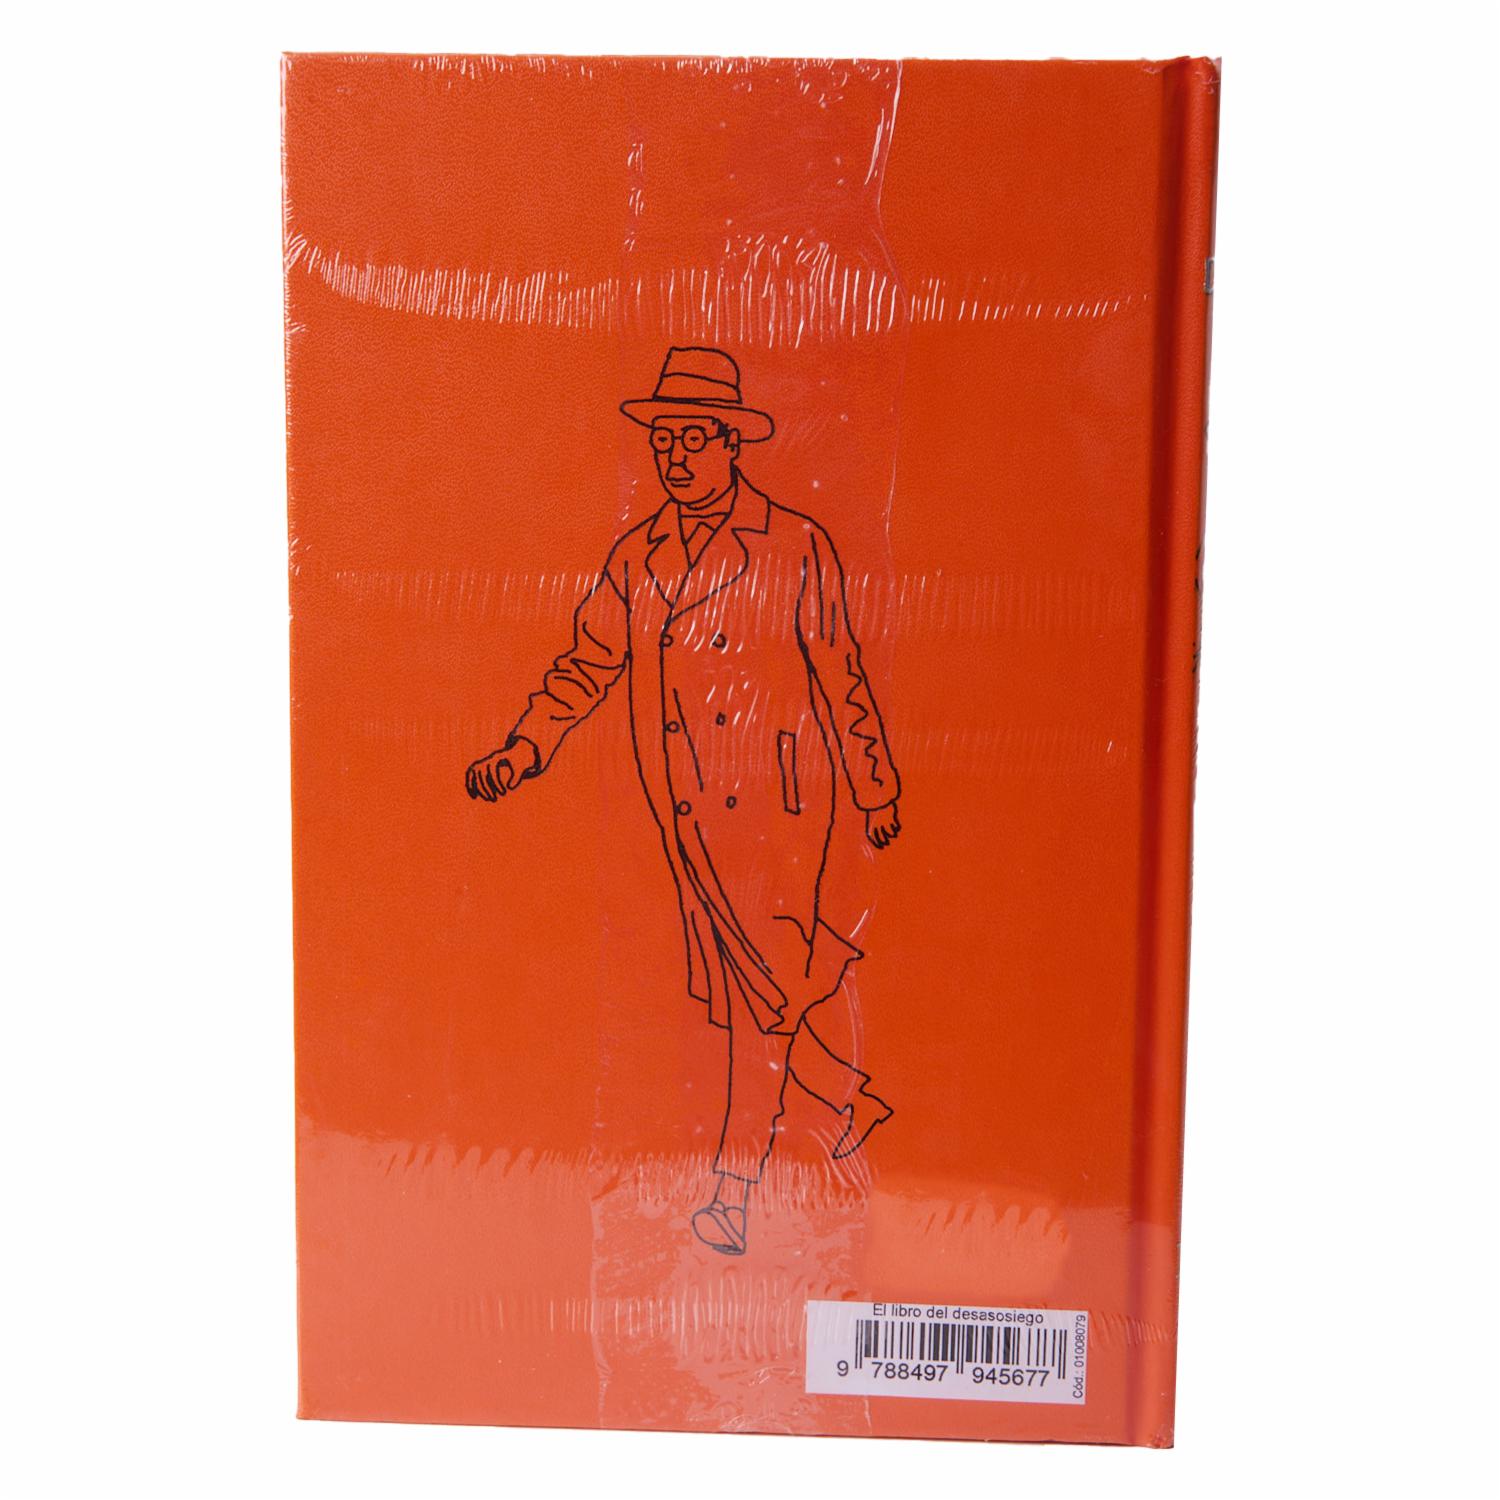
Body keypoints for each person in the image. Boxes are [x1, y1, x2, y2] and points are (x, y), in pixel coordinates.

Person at [466, 346, 902, 1255]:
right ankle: (847, 1101)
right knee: (769, 983)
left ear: (732, 444)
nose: (675, 455)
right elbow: (589, 662)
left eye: (694, 437)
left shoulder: (795, 543)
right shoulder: (639, 556)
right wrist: (525, 747)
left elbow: (840, 672)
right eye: (664, 438)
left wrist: (873, 783)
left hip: (781, 806)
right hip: (688, 814)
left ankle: (731, 1193)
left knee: (758, 998)